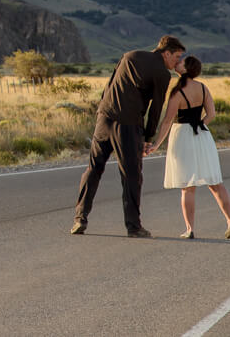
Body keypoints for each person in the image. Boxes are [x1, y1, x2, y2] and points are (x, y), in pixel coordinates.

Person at [71, 35, 186, 238]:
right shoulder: (161, 73)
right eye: (176, 56)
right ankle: (133, 226)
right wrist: (148, 137)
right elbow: (156, 108)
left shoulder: (130, 55)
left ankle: (80, 218)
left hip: (104, 118)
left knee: (94, 168)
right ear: (166, 53)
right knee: (131, 175)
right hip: (128, 125)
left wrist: (102, 111)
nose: (177, 62)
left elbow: (109, 85)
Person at [145, 55, 230, 239]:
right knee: (215, 183)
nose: (177, 63)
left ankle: (190, 229)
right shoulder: (203, 88)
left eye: (181, 62)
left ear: (186, 69)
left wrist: (156, 144)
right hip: (203, 135)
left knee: (188, 186)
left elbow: (167, 122)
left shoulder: (177, 92)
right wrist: (200, 124)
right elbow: (211, 114)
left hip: (183, 136)